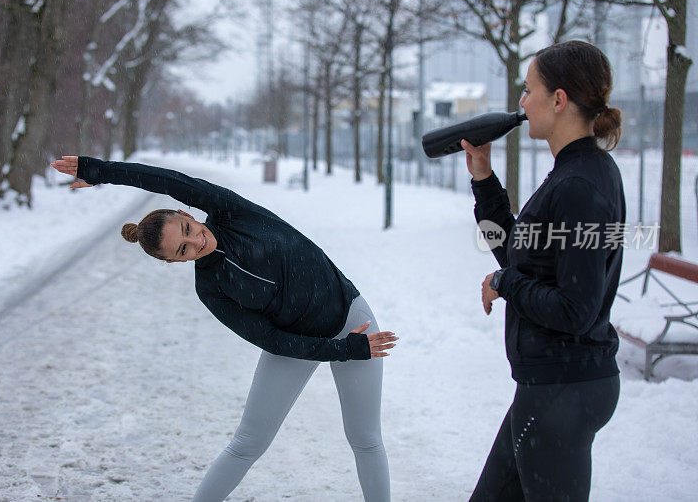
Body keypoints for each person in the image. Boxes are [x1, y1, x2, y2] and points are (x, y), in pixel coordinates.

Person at [50, 155, 395, 501]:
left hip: (352, 317)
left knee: (365, 437)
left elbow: (169, 180)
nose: (197, 242)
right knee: (247, 444)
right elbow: (271, 339)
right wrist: (345, 350)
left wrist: (101, 171)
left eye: (188, 230)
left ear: (187, 214)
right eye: (184, 250)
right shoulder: (211, 289)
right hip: (299, 342)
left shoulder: (231, 213)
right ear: (175, 261)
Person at [460, 40, 625, 501]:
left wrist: (505, 283)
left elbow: (576, 309)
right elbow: (518, 254)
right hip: (549, 387)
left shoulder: (579, 185)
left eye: (529, 89)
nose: (521, 101)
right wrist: (484, 181)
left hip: (564, 390)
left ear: (559, 99)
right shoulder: (577, 172)